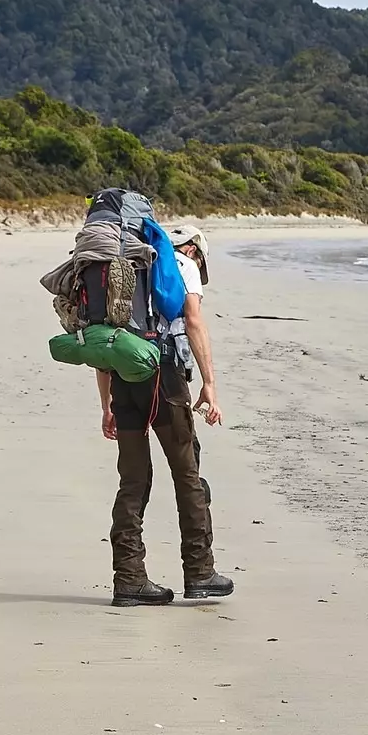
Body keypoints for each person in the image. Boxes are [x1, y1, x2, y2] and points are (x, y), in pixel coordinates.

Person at [99, 222, 232, 605]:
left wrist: (106, 402)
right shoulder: (181, 265)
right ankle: (200, 571)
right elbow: (193, 321)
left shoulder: (121, 266)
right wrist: (209, 384)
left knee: (133, 479)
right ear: (193, 249)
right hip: (165, 377)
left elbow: (106, 339)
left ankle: (129, 579)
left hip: (124, 377)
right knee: (187, 472)